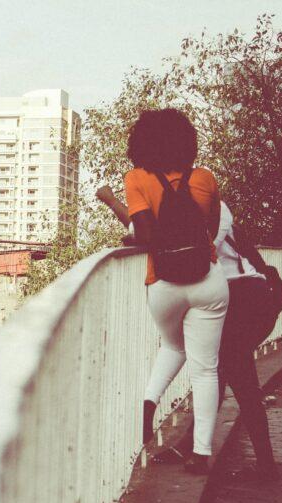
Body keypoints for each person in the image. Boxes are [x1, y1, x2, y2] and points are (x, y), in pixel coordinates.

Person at [99, 189, 280, 481]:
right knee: (222, 371)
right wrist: (111, 202)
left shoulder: (215, 208)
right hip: (241, 295)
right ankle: (196, 447)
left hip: (243, 295)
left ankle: (262, 465)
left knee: (238, 376)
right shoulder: (199, 207)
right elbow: (139, 229)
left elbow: (198, 242)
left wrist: (118, 208)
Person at [103, 108, 230, 474]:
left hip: (163, 282)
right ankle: (202, 453)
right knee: (205, 370)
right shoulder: (204, 177)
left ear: (142, 142)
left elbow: (144, 234)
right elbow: (211, 228)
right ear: (187, 141)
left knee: (172, 346)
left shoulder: (137, 179)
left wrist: (131, 231)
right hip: (207, 282)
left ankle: (148, 401)